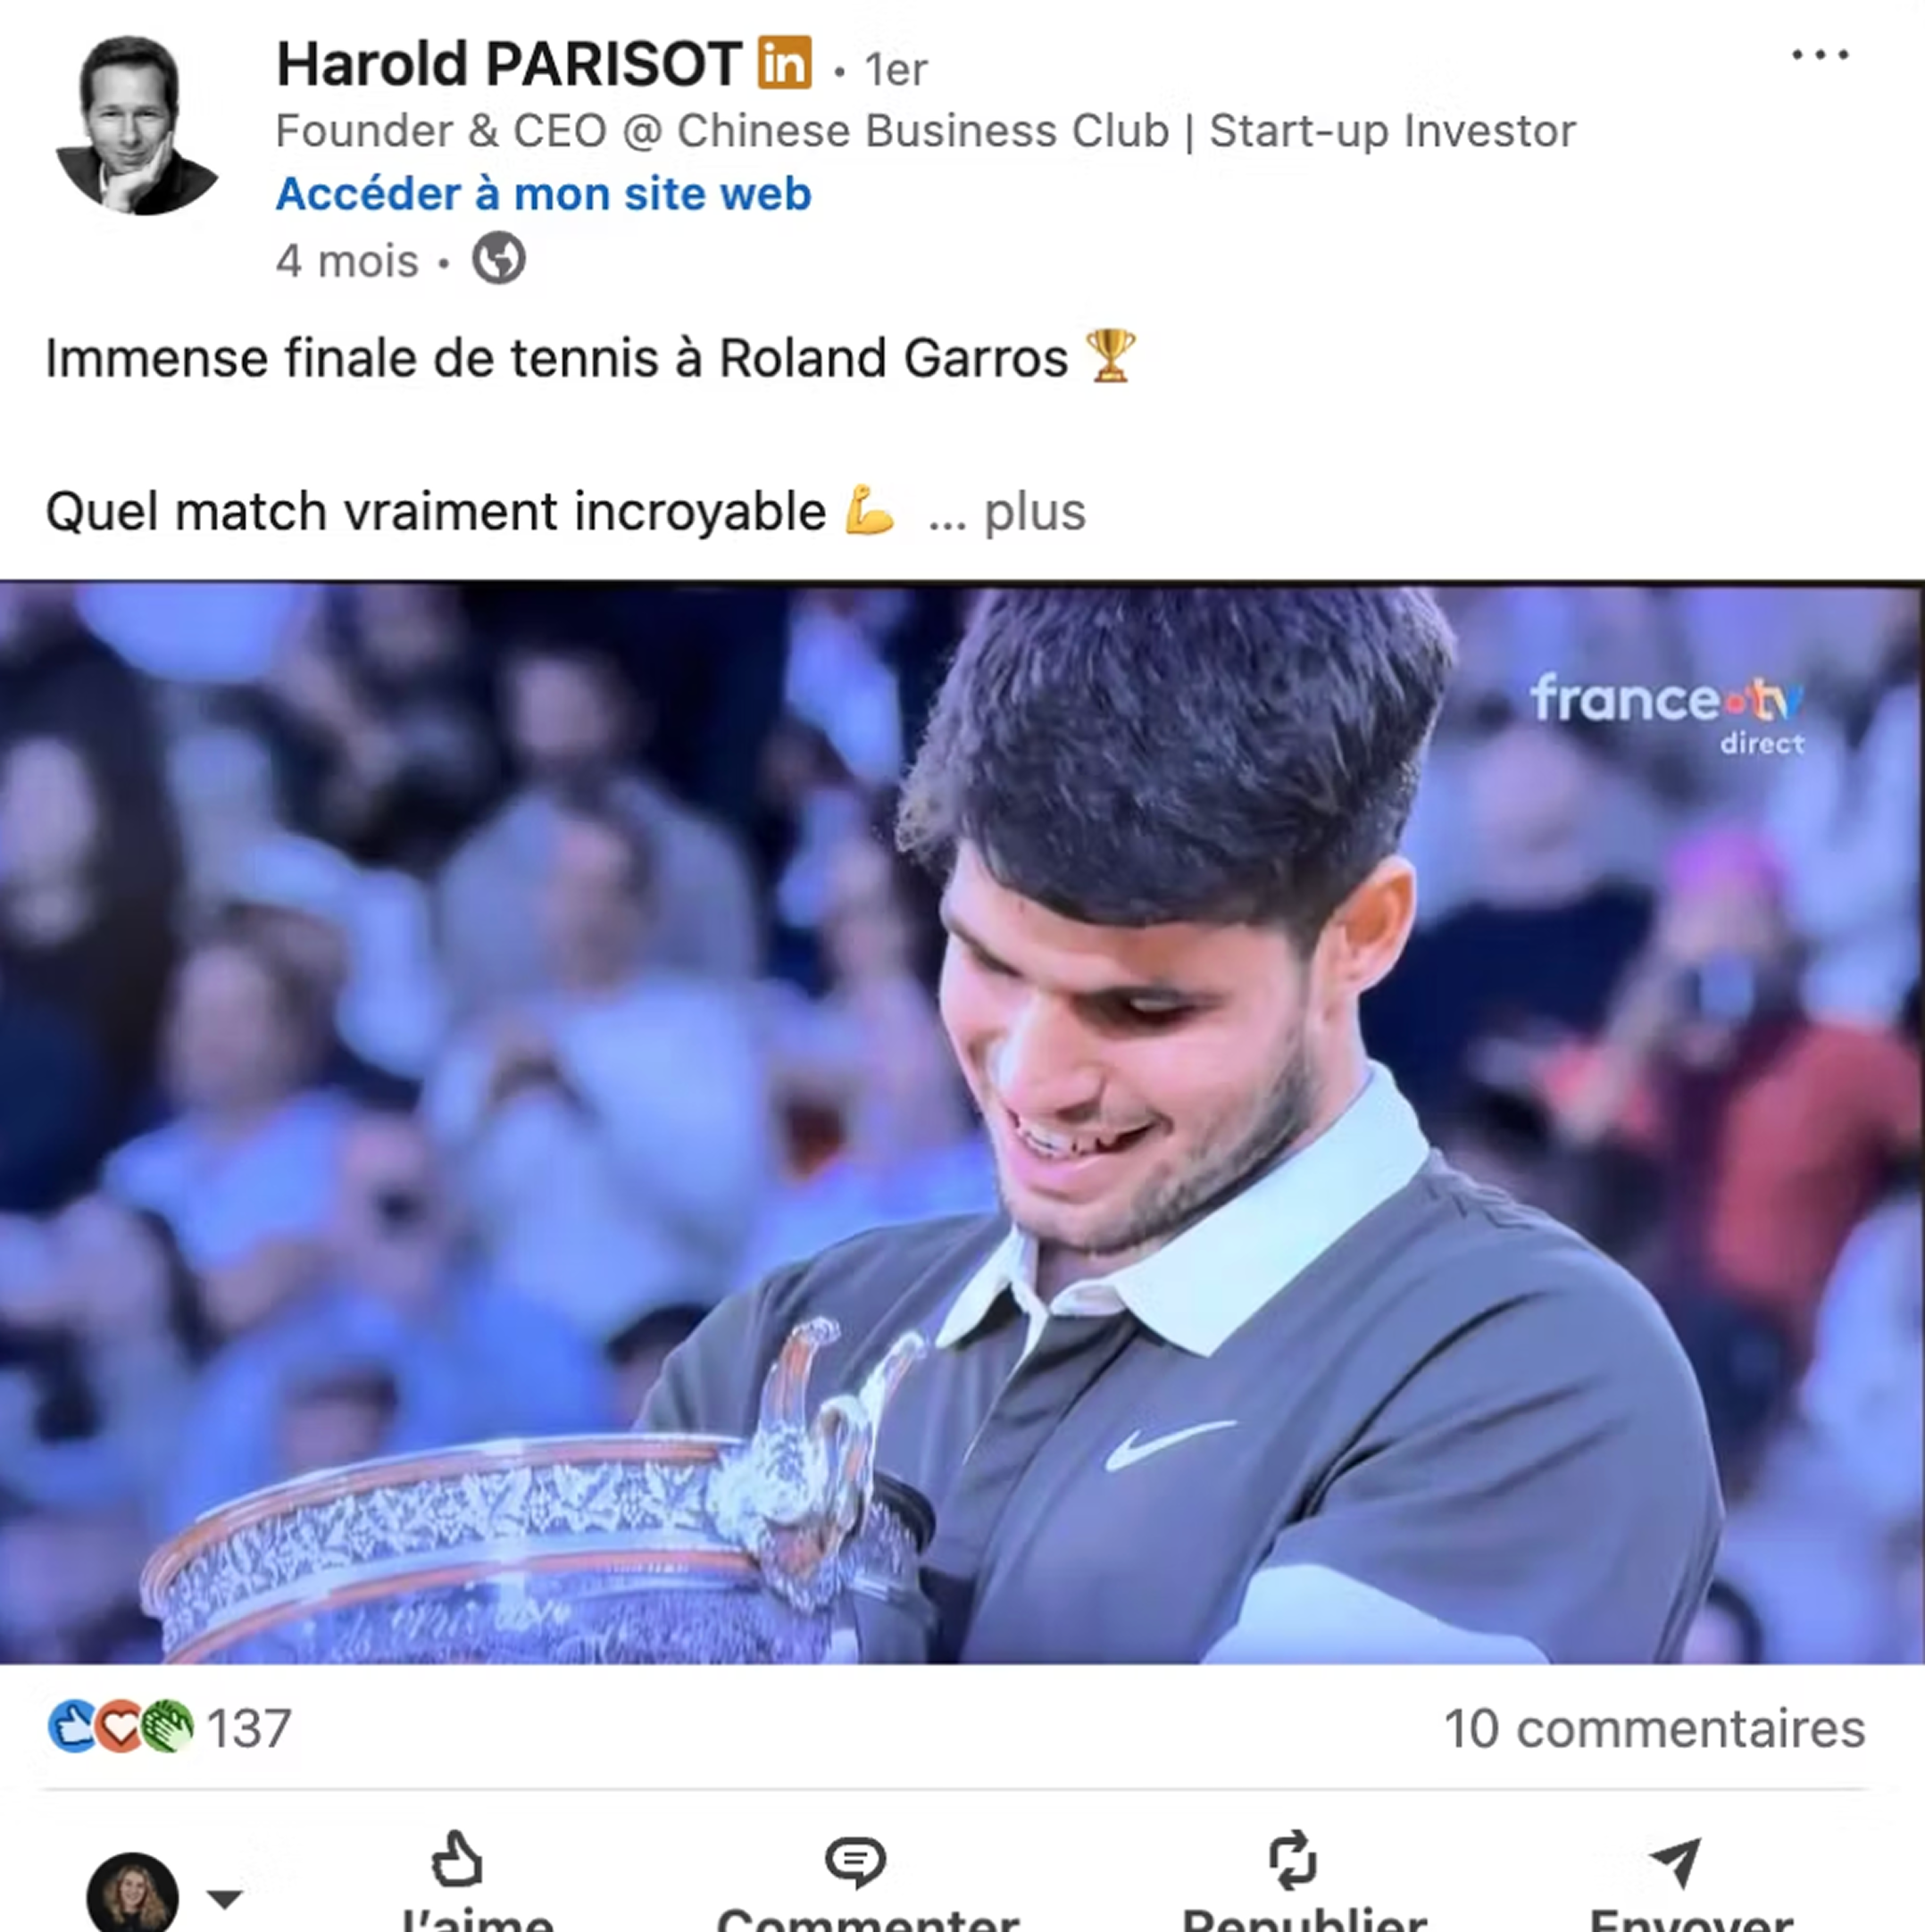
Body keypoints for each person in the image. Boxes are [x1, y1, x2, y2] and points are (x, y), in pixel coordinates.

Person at [645, 588, 1721, 1664]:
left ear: (1362, 934)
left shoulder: (1537, 1374)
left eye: (1141, 1007)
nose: (1033, 1073)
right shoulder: (784, 1336)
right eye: (987, 960)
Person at [427, 786, 776, 1346]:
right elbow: (434, 1233)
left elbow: (726, 1203)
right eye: (566, 888)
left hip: (665, 1341)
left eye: (603, 890)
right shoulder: (487, 1045)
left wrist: (580, 1091)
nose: (583, 912)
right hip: (517, 1355)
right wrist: (486, 1113)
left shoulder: (703, 1029)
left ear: (643, 908)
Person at [58, 37, 216, 215]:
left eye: (147, 114)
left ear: (173, 119)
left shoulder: (208, 194)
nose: (130, 137)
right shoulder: (57, 171)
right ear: (86, 120)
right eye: (111, 114)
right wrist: (116, 204)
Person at [98, 1861, 171, 1929]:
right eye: (128, 1884)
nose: (134, 1890)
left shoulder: (160, 1922)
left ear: (147, 1891)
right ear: (119, 1887)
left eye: (140, 1886)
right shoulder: (102, 1920)